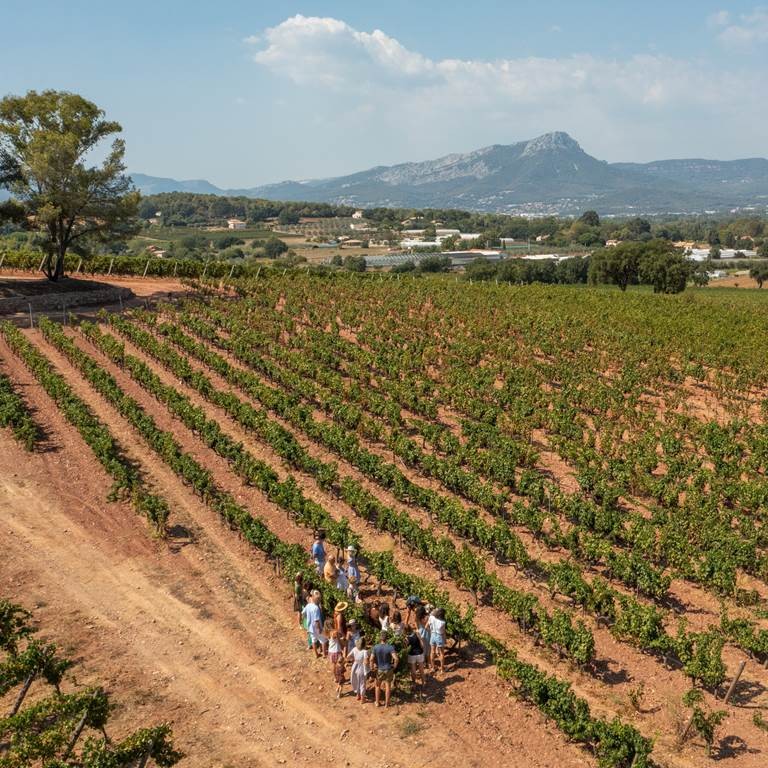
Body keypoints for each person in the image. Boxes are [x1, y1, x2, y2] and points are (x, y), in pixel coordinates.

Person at [372, 631, 398, 708]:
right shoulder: (390, 647)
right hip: (388, 669)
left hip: (379, 669)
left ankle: (377, 702)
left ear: (380, 638)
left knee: (377, 686)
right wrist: (394, 666)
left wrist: (372, 667)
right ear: (387, 638)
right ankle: (387, 704)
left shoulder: (375, 647)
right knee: (388, 686)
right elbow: (396, 659)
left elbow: (371, 659)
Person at [302, 590, 327, 658]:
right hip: (317, 628)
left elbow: (303, 613)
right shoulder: (316, 608)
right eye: (319, 599)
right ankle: (324, 654)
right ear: (317, 599)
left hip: (310, 628)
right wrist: (319, 629)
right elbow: (316, 621)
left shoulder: (308, 605)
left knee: (313, 641)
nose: (319, 600)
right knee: (323, 641)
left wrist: (307, 619)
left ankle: (316, 654)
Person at [347, 636, 370, 703]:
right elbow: (366, 662)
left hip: (355, 666)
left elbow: (348, 657)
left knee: (356, 681)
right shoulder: (365, 651)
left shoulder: (354, 649)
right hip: (362, 667)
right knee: (362, 683)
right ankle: (363, 698)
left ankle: (358, 695)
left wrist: (354, 660)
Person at [406, 624, 426, 695]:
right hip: (419, 653)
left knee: (413, 671)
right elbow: (422, 643)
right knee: (421, 670)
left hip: (412, 655)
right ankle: (423, 683)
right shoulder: (417, 633)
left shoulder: (407, 638)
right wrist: (423, 650)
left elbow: (406, 647)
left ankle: (414, 684)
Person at [428, 607, 446, 674]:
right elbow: (443, 632)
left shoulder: (431, 617)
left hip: (433, 634)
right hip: (439, 636)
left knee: (432, 652)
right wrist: (445, 639)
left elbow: (432, 613)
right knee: (441, 653)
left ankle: (433, 667)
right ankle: (442, 669)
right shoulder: (442, 622)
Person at [416, 606, 431, 672]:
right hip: (427, 633)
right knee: (428, 648)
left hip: (421, 632)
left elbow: (416, 625)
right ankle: (429, 663)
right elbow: (428, 626)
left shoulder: (417, 617)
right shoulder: (427, 617)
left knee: (422, 648)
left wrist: (418, 630)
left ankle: (423, 663)